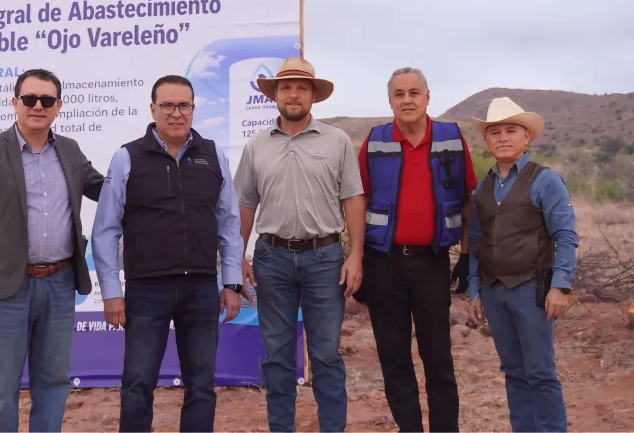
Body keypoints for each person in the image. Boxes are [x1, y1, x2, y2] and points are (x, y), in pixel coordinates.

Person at [0, 68, 105, 432]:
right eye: (30, 99)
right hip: (7, 288)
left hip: (60, 284)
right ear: (14, 103)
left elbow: (103, 189)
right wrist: (0, 256)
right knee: (3, 386)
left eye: (47, 100)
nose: (38, 106)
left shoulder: (70, 150)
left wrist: (143, 177)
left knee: (54, 380)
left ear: (58, 106)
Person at [91, 74, 243, 433]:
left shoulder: (214, 155)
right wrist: (111, 291)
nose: (176, 113)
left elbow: (229, 223)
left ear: (193, 108)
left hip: (201, 289)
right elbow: (106, 229)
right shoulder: (127, 157)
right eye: (168, 106)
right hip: (147, 290)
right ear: (153, 109)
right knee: (137, 383)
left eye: (184, 105)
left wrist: (232, 282)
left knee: (202, 385)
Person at [234, 56, 365, 432]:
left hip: (325, 259)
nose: (293, 94)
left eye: (302, 88)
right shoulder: (256, 145)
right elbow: (245, 204)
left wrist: (355, 256)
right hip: (271, 259)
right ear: (275, 95)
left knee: (325, 356)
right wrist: (237, 256)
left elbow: (353, 198)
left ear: (313, 96)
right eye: (286, 87)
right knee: (277, 356)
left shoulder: (337, 141)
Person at [355, 66, 478, 432]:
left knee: (438, 358)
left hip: (431, 264)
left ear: (427, 97)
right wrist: (357, 257)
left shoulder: (452, 139)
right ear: (389, 100)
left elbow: (468, 199)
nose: (407, 100)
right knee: (394, 359)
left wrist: (467, 255)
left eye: (413, 93)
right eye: (399, 94)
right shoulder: (375, 141)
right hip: (383, 264)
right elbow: (358, 200)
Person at [466, 96, 577, 432]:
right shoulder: (482, 188)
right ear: (487, 139)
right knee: (513, 372)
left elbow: (565, 236)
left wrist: (560, 286)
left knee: (541, 373)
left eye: (511, 130)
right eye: (495, 131)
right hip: (494, 291)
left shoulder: (545, 180)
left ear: (526, 136)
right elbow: (475, 242)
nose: (503, 137)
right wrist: (475, 291)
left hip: (531, 290)